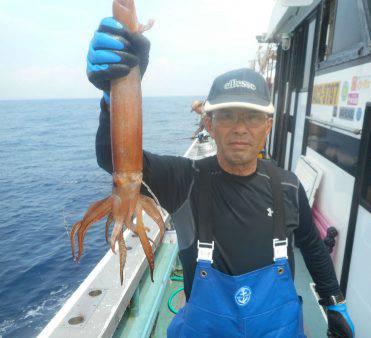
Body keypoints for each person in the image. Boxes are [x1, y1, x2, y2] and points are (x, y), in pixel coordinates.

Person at [87, 17, 355, 338]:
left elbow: (311, 245)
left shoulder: (288, 186)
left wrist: (334, 301)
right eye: (227, 116)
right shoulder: (183, 180)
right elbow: (113, 159)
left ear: (267, 126)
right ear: (210, 125)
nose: (240, 127)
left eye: (253, 117)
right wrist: (117, 92)